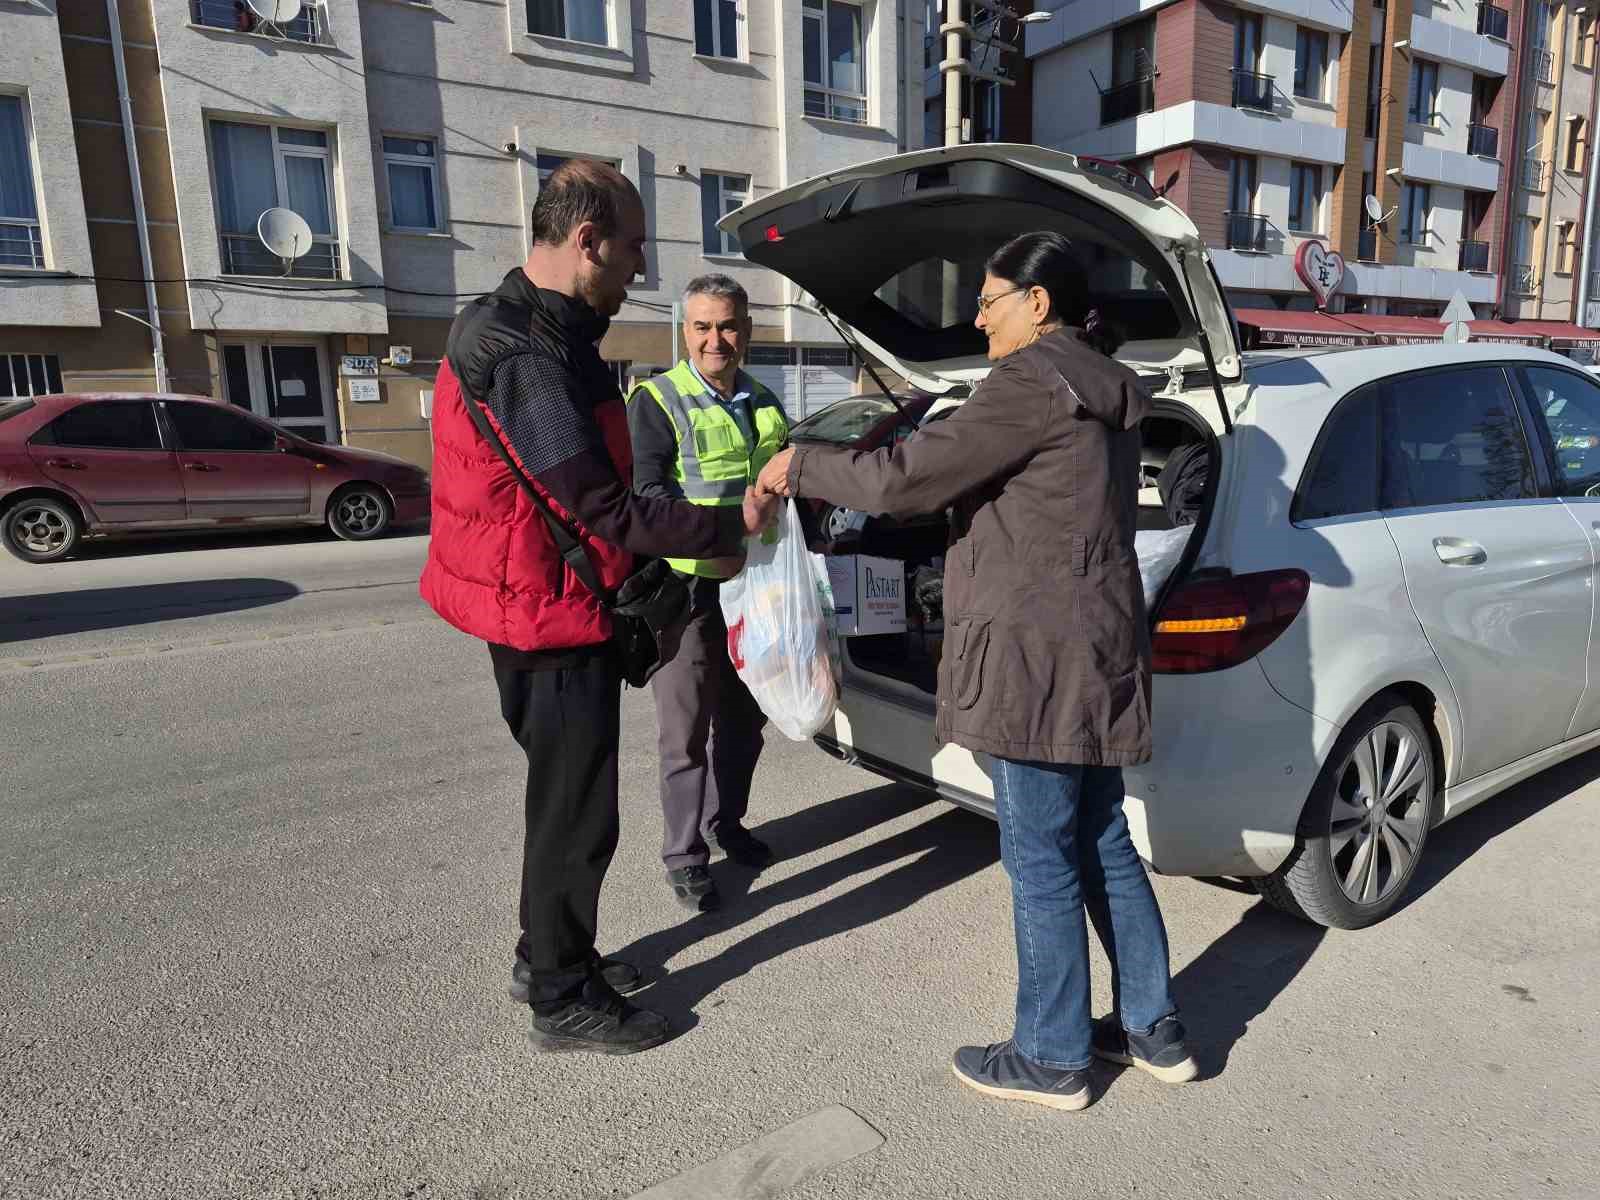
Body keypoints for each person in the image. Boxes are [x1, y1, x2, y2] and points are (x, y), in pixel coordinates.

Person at [756, 231, 1196, 1110]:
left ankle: (1051, 1054)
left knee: (1040, 855)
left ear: (1038, 306)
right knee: (1102, 837)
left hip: (1035, 652)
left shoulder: (1034, 380)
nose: (978, 316)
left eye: (990, 299)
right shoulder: (1105, 387)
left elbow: (908, 478)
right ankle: (1154, 1029)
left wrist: (800, 464)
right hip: (1094, 645)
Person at [419, 160, 777, 1055]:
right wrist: (730, 522)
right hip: (544, 610)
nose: (637, 273)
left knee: (563, 801)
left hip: (538, 596)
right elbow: (603, 506)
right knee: (578, 812)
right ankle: (559, 996)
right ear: (587, 241)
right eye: (632, 252)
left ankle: (551, 951)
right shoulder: (524, 352)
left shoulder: (535, 326)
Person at [627, 275, 790, 914]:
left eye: (727, 326)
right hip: (688, 589)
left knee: (745, 724)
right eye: (702, 327)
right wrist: (724, 531)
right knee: (685, 731)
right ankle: (684, 856)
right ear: (685, 330)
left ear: (745, 329)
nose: (715, 340)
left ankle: (727, 824)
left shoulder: (765, 400)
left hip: (754, 587)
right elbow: (649, 499)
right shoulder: (658, 399)